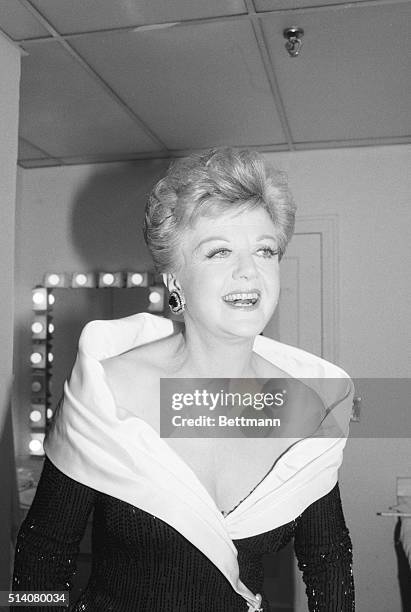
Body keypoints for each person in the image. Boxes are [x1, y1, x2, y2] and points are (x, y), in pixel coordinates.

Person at [13, 148, 355, 611]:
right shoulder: (110, 391)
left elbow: (328, 558)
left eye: (264, 249)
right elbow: (44, 551)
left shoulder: (308, 409)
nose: (248, 271)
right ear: (174, 277)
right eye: (219, 251)